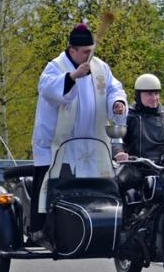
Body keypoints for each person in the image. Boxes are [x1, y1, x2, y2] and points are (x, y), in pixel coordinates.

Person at [30, 23, 128, 239]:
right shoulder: (55, 67)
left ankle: (91, 230)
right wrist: (73, 76)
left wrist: (117, 103)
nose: (89, 56)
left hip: (93, 140)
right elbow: (48, 89)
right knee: (50, 187)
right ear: (72, 50)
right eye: (84, 52)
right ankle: (43, 231)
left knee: (92, 188)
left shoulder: (100, 67)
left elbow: (114, 88)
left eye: (91, 51)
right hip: (58, 143)